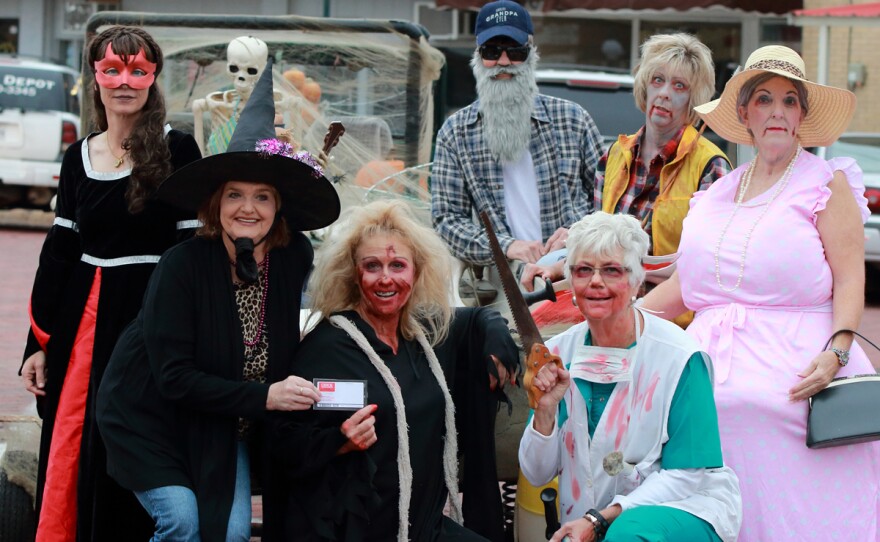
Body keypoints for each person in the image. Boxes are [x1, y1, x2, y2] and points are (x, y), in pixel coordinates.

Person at [94, 59, 340, 542]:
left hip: (223, 426)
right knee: (183, 522)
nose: (248, 208)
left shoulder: (292, 258)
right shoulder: (182, 265)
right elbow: (174, 379)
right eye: (234, 195)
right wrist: (265, 396)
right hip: (150, 417)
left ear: (278, 208)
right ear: (216, 205)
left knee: (228, 535)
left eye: (263, 197)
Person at [643, 45, 880, 540]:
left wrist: (837, 352)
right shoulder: (715, 194)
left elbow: (851, 279)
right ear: (745, 113)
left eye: (791, 101)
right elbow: (685, 288)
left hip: (803, 384)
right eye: (766, 99)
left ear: (801, 116)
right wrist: (607, 325)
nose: (778, 111)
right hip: (708, 382)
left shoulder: (826, 183)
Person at [18, 26, 202, 541]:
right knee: (77, 436)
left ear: (154, 78)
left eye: (138, 70)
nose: (125, 81)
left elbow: (193, 252)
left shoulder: (179, 149)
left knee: (145, 437)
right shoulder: (78, 155)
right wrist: (37, 343)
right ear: (94, 77)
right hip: (85, 320)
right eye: (112, 70)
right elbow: (58, 255)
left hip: (155, 315)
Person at [273, 200, 520, 541]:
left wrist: (496, 334)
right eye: (372, 266)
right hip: (354, 532)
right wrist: (338, 441)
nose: (386, 278)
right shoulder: (328, 348)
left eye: (398, 265)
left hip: (424, 528)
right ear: (354, 274)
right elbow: (283, 444)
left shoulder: (423, 335)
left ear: (416, 272)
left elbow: (476, 319)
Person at [518, 211, 742, 542]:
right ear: (572, 285)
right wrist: (546, 411)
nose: (596, 281)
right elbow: (536, 474)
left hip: (684, 510)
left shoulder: (680, 357)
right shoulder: (556, 354)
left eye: (611, 270)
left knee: (626, 534)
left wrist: (600, 519)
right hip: (590, 522)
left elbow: (687, 475)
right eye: (583, 270)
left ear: (636, 281)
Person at [521, 34, 730, 310]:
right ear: (645, 85)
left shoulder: (711, 165)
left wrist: (626, 265)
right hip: (604, 304)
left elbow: (708, 267)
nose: (665, 93)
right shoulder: (613, 156)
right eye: (658, 80)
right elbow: (599, 242)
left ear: (694, 100)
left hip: (667, 314)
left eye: (679, 86)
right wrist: (560, 267)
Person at [431, 0, 603, 267]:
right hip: (506, 281)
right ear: (477, 56)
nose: (503, 62)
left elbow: (609, 194)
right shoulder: (455, 133)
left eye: (515, 52)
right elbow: (447, 220)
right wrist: (506, 246)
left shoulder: (573, 119)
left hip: (577, 271)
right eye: (491, 51)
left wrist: (578, 232)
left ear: (531, 53)